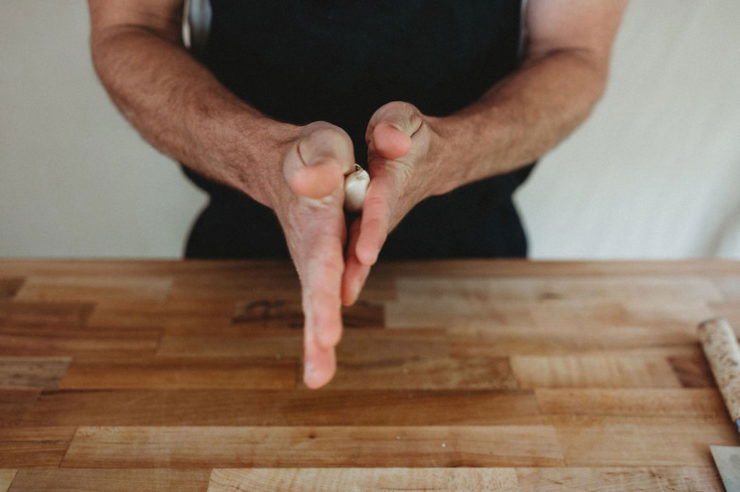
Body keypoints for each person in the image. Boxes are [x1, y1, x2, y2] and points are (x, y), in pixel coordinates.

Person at [87, 0, 628, 388]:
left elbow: (572, 51)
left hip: (474, 276)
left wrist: (443, 154)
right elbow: (130, 27)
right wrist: (266, 158)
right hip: (237, 271)